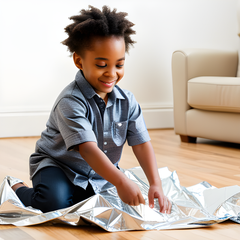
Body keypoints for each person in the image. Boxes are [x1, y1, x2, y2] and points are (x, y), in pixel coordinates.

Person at [11, 5, 171, 214]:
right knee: (55, 203)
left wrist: (155, 184)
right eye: (102, 65)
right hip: (58, 167)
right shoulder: (70, 101)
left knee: (101, 205)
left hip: (98, 174)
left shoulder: (128, 101)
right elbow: (87, 149)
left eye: (119, 65)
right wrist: (121, 182)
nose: (111, 74)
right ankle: (17, 188)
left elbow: (141, 144)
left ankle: (77, 191)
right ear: (79, 61)